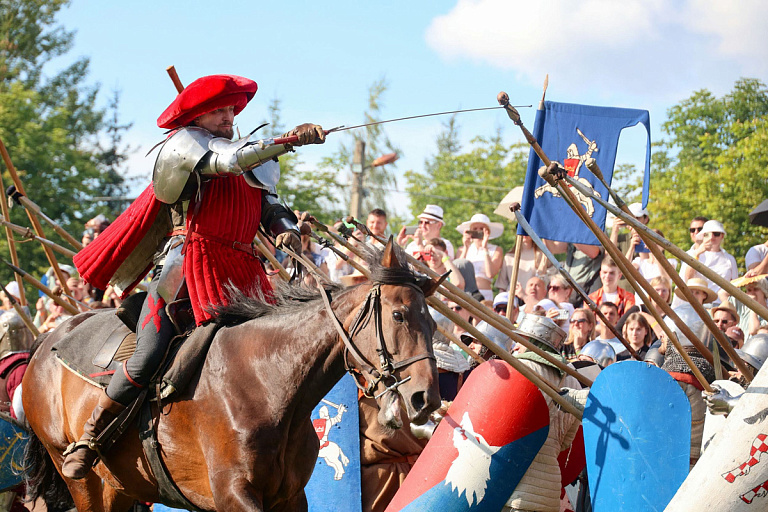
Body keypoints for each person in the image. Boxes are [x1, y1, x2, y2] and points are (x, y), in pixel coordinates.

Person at [66, 74, 325, 479]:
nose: (229, 116)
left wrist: (286, 229)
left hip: (245, 274)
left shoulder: (251, 155)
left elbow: (270, 206)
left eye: (231, 109)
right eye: (219, 110)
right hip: (188, 269)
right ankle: (91, 435)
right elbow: (227, 162)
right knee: (148, 355)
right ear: (198, 114)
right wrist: (287, 140)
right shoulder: (183, 147)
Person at [504, 314, 580, 512]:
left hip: (515, 486)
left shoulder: (519, 369)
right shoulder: (573, 378)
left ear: (530, 340)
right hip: (550, 488)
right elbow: (566, 442)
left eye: (520, 339)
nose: (515, 346)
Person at [683, 220, 737, 305]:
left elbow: (735, 286)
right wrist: (697, 254)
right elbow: (688, 277)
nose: (712, 237)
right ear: (703, 236)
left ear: (722, 236)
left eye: (716, 234)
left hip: (722, 307)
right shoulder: (695, 255)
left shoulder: (729, 259)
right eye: (707, 234)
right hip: (701, 306)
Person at [456, 213, 504, 301]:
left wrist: (485, 247)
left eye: (481, 229)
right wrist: (466, 247)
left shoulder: (496, 250)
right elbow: (456, 271)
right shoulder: (462, 249)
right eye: (475, 229)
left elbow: (490, 273)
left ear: (487, 232)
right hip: (464, 292)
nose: (478, 232)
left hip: (484, 294)